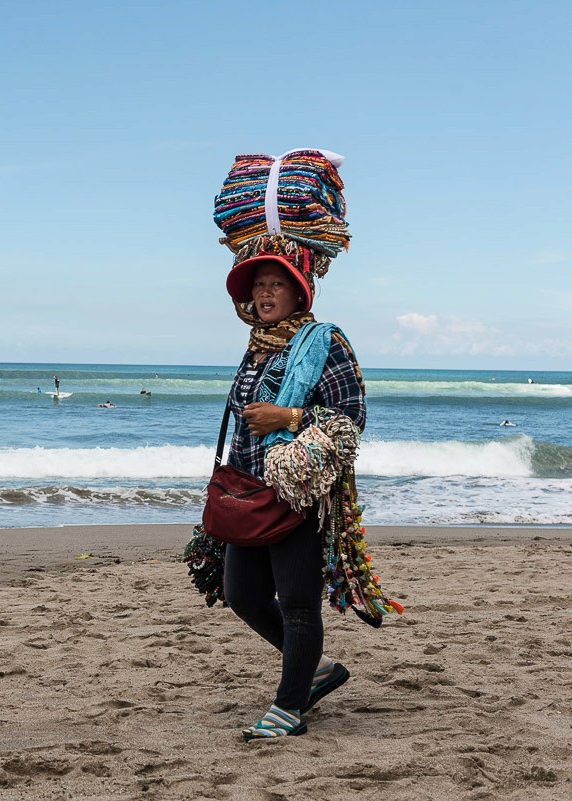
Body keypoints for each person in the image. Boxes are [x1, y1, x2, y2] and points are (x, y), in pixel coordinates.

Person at [215, 248, 373, 742]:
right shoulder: (257, 347)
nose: (264, 293)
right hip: (249, 490)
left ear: (299, 292)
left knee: (299, 603)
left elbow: (352, 419)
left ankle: (288, 708)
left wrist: (288, 417)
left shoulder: (325, 343)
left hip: (298, 490)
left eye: (276, 283)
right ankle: (318, 670)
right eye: (258, 284)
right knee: (242, 595)